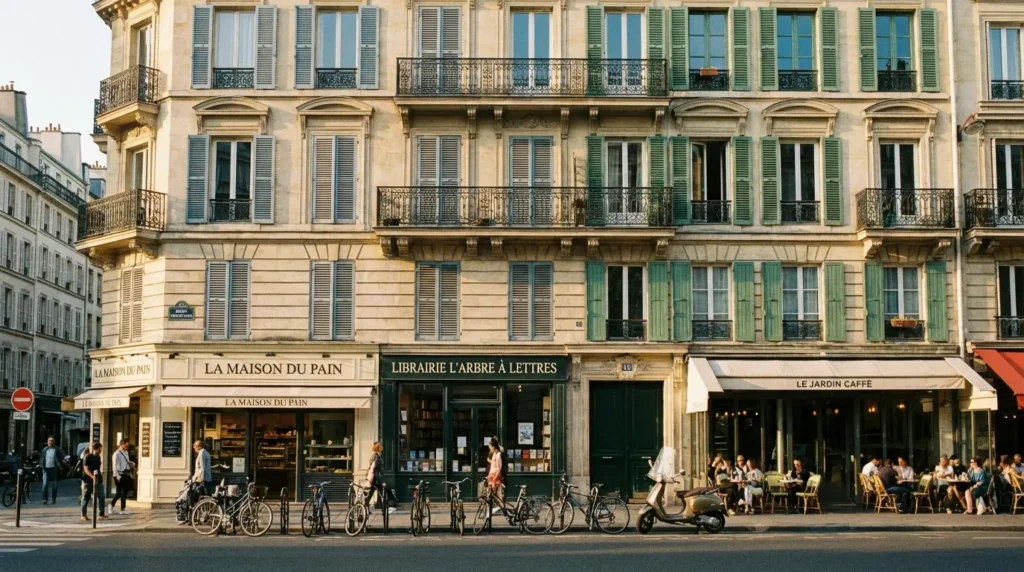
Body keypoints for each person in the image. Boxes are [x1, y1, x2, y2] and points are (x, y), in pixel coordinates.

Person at [80, 442, 108, 522]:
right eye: (100, 449)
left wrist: (99, 475)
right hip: (88, 480)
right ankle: (83, 514)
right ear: (96, 449)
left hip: (98, 479)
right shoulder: (87, 457)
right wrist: (92, 477)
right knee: (86, 496)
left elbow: (98, 467)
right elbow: (86, 469)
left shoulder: (98, 457)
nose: (101, 450)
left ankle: (101, 514)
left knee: (101, 496)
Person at [110, 438, 134, 515]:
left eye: (128, 445)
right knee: (119, 493)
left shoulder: (126, 452)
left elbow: (126, 462)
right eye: (126, 445)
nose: (127, 447)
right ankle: (111, 505)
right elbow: (114, 466)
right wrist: (117, 476)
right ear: (122, 444)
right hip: (119, 474)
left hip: (126, 474)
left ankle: (123, 508)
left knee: (124, 492)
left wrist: (131, 465)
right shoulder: (116, 454)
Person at [39, 437, 64, 506]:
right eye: (49, 441)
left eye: (52, 441)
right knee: (45, 484)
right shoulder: (44, 450)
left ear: (54, 442)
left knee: (55, 485)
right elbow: (41, 458)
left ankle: (53, 498)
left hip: (54, 469)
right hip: (46, 469)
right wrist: (41, 466)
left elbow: (61, 458)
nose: (51, 442)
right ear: (47, 442)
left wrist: (60, 466)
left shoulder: (57, 449)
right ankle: (45, 499)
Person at [486, 437, 506, 514]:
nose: (489, 448)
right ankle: (491, 510)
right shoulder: (494, 454)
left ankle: (500, 508)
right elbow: (492, 467)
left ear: (493, 446)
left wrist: (494, 478)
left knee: (498, 494)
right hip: (491, 478)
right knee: (490, 494)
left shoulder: (498, 455)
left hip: (495, 478)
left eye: (490, 447)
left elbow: (498, 468)